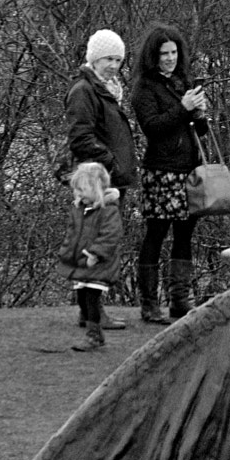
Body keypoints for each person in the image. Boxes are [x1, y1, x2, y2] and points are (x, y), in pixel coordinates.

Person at [128, 24, 209, 325]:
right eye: (164, 54)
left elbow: (200, 129)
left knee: (186, 234)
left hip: (189, 168)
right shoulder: (144, 88)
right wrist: (183, 108)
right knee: (156, 233)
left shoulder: (181, 81)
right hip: (162, 170)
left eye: (174, 52)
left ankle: (179, 301)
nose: (170, 58)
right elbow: (153, 127)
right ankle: (149, 303)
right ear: (153, 56)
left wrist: (199, 112)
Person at [67, 29, 139, 329]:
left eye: (119, 60)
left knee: (96, 244)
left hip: (108, 180)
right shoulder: (84, 91)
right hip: (96, 183)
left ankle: (89, 311)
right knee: (99, 245)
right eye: (109, 58)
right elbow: (80, 137)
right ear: (95, 58)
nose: (114, 65)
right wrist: (110, 162)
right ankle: (94, 311)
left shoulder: (106, 90)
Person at [58, 161, 124, 353]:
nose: (78, 194)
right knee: (81, 299)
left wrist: (95, 253)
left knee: (91, 299)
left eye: (82, 189)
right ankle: (94, 333)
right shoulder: (78, 210)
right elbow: (72, 234)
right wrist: (66, 252)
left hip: (98, 264)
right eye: (76, 189)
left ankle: (94, 335)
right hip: (81, 263)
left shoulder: (109, 210)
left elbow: (111, 235)